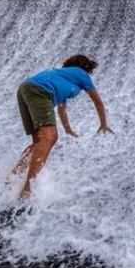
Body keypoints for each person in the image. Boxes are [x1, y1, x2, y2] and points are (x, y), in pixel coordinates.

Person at [13, 54, 113, 199]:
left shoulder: (62, 76)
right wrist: (103, 124)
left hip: (25, 89)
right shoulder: (81, 74)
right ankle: (27, 191)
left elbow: (61, 109)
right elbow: (98, 102)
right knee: (50, 137)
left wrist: (68, 129)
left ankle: (11, 179)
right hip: (39, 91)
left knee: (38, 142)